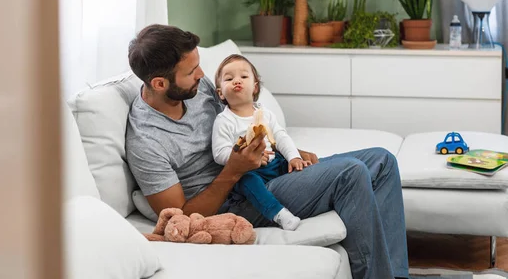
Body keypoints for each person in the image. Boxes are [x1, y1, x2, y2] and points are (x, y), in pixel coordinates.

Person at [126, 24, 409, 279]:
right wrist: (234, 171)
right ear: (160, 84)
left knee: (382, 160)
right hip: (236, 201)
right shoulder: (146, 141)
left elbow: (243, 122)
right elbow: (181, 216)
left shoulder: (196, 89)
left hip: (263, 170)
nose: (202, 74)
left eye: (199, 65)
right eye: (191, 72)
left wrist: (291, 151)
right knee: (351, 172)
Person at [212, 54, 308, 230]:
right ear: (220, 93)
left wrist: (294, 157)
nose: (237, 81)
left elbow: (280, 137)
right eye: (229, 78)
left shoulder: (265, 114)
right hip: (250, 172)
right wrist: (242, 157)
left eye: (244, 76)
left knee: (294, 166)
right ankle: (279, 214)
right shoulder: (224, 120)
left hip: (274, 163)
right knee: (248, 182)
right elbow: (219, 154)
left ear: (255, 87)